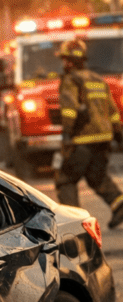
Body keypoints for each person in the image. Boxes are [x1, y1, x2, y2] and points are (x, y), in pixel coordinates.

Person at [55, 38, 123, 227]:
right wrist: (118, 133)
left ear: (69, 61)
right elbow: (112, 110)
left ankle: (74, 223)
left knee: (65, 180)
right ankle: (119, 205)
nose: (63, 64)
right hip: (104, 137)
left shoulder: (71, 80)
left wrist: (67, 134)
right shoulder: (98, 79)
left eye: (64, 60)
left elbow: (69, 109)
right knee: (97, 177)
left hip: (82, 139)